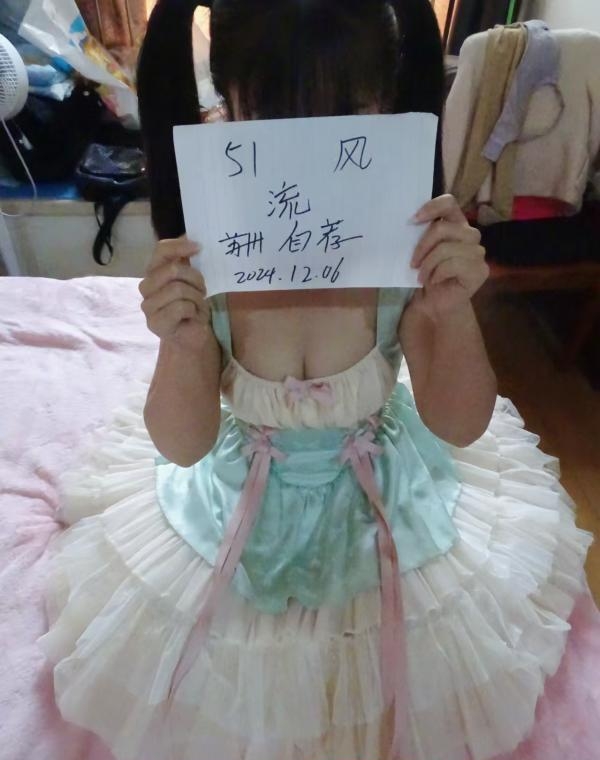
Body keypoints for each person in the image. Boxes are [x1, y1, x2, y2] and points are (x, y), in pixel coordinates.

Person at [36, 1, 599, 759]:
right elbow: (182, 443)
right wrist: (181, 339)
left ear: (382, 106)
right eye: (272, 117)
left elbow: (460, 423)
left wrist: (455, 308)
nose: (307, 148)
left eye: (344, 117)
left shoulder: (401, 242)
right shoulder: (210, 245)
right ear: (225, 107)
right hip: (237, 494)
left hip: (383, 497)